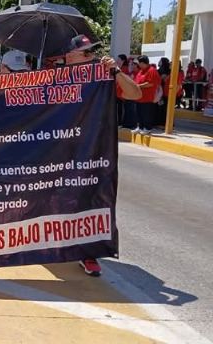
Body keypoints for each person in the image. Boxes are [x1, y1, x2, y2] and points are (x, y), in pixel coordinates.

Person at [62, 35, 141, 277]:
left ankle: (88, 253)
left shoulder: (103, 76)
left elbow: (135, 94)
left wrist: (116, 72)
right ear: (70, 56)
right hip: (59, 151)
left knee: (90, 199)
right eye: (85, 53)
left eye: (92, 52)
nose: (91, 57)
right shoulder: (57, 77)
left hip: (92, 150)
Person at [132, 55, 160, 136]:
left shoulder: (152, 70)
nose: (138, 65)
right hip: (139, 97)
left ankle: (147, 128)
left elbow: (151, 83)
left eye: (139, 63)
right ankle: (140, 127)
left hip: (147, 97)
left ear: (143, 63)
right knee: (139, 113)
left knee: (146, 114)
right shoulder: (141, 71)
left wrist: (139, 86)